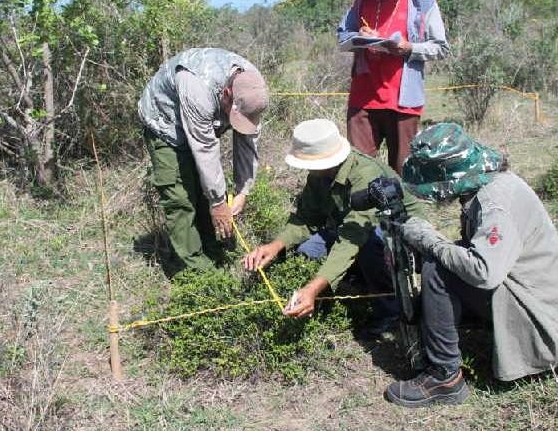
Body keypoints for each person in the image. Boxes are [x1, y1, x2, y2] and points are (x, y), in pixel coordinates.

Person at [384, 123, 558, 408]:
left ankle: (444, 378)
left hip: (552, 330)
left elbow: (483, 272)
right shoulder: (494, 184)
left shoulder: (493, 204)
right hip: (555, 311)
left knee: (438, 271)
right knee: (448, 258)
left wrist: (429, 240)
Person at [242, 118, 428, 328]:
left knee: (369, 245)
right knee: (307, 250)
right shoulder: (319, 176)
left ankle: (390, 310)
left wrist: (312, 288)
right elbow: (306, 219)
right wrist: (274, 246)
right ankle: (355, 283)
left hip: (398, 236)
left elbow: (352, 238)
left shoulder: (365, 175)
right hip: (350, 232)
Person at [138, 48, 269, 271]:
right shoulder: (198, 86)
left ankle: (213, 250)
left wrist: (242, 191)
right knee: (181, 197)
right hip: (165, 124)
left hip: (200, 119)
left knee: (204, 189)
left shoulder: (252, 85)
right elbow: (205, 148)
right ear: (227, 93)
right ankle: (196, 272)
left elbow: (247, 142)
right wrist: (218, 203)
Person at [337, 0, 449, 173]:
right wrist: (360, 36)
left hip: (403, 101)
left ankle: (400, 205)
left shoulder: (422, 0)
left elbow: (441, 47)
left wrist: (409, 48)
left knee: (402, 170)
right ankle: (365, 204)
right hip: (363, 97)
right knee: (358, 168)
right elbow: (343, 34)